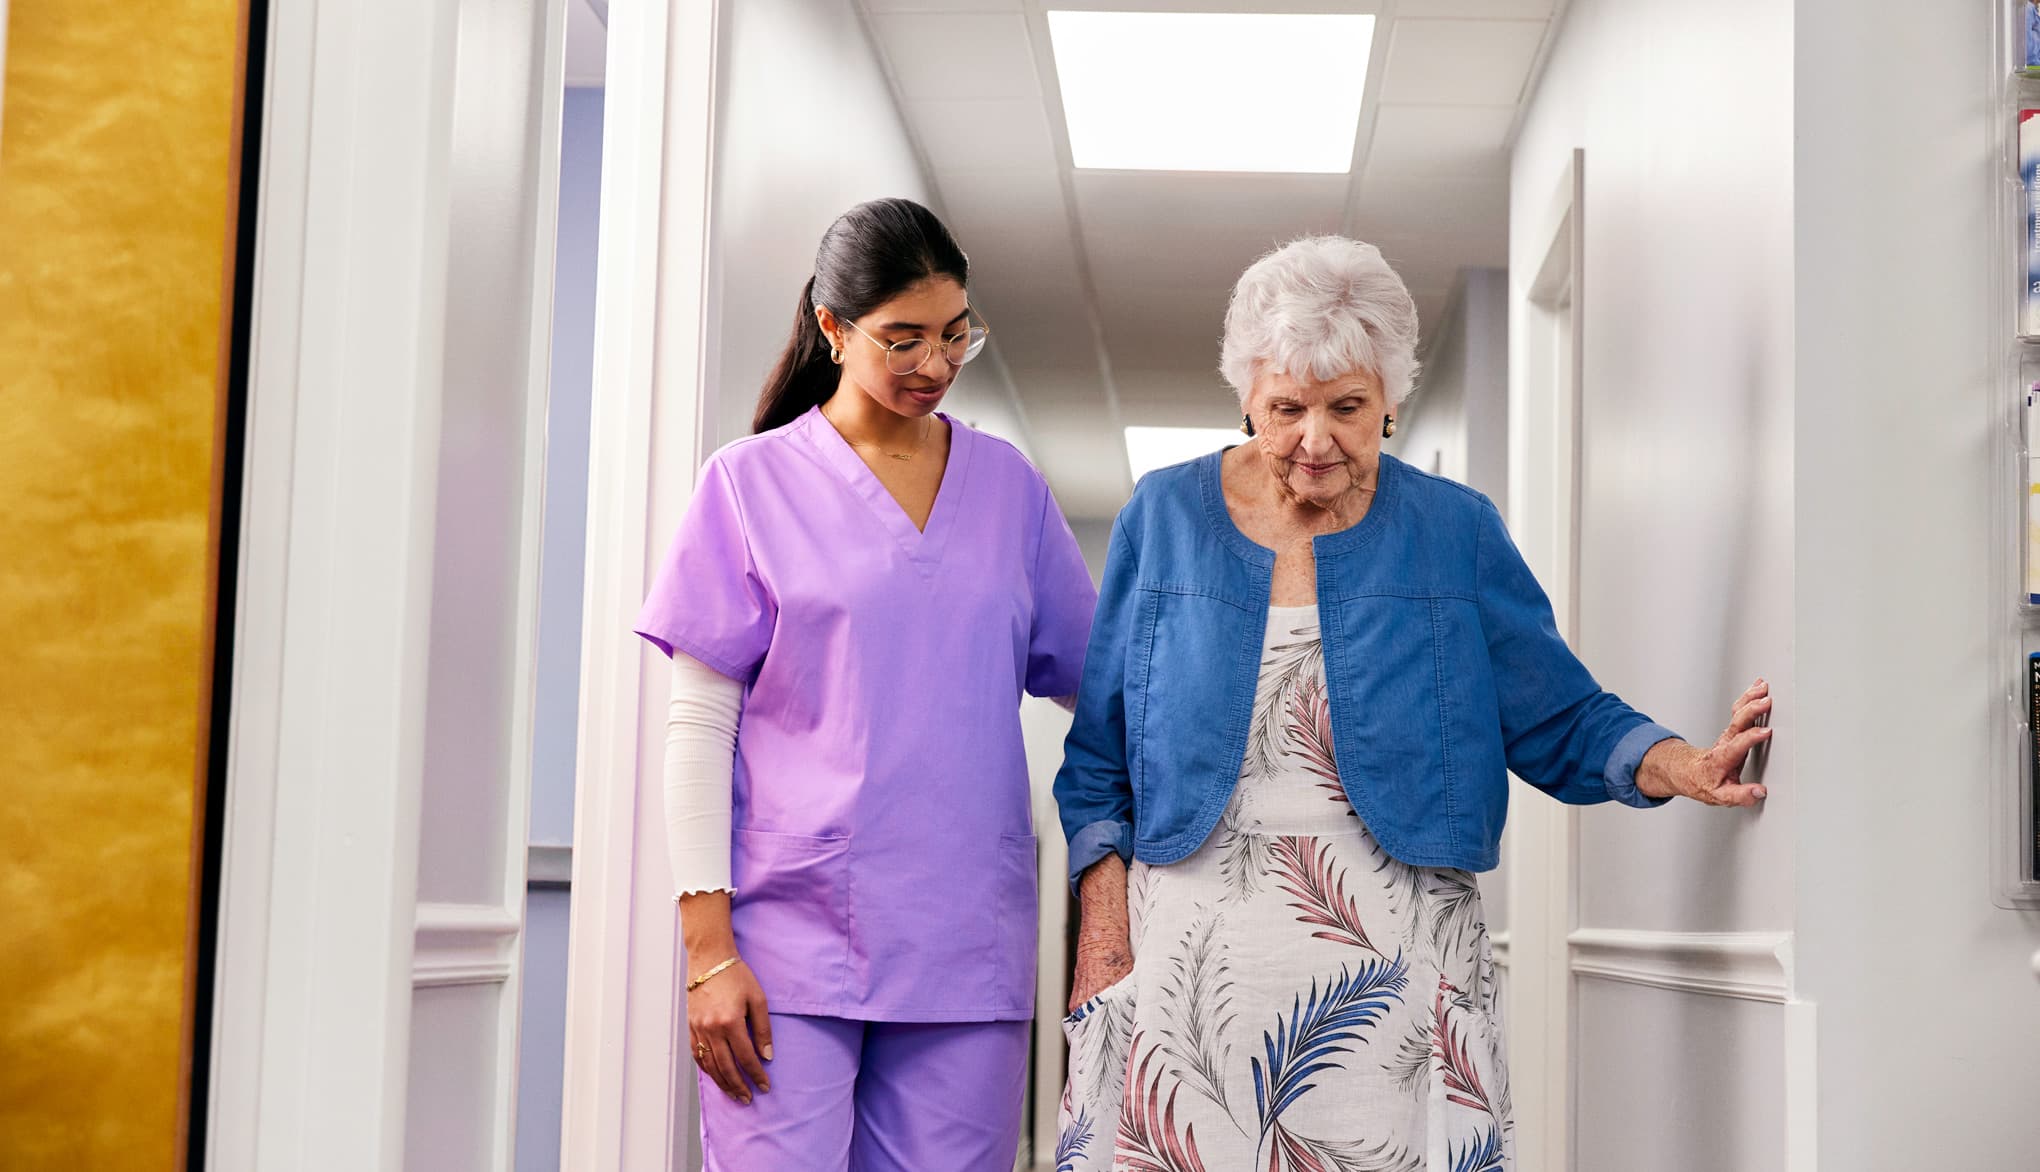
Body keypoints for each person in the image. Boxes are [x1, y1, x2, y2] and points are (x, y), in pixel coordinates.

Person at [1051, 236, 1772, 1171]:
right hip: (1193, 950)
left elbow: (1557, 713)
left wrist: (1680, 763)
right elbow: (1100, 755)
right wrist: (1103, 941)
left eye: (1348, 407)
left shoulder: (1453, 530)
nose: (1316, 440)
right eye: (1286, 410)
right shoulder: (1164, 517)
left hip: (1398, 951)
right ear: (1245, 397)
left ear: (1391, 398)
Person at [635, 197, 1097, 1170]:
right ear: (833, 327)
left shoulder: (1009, 488)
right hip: (785, 944)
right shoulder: (748, 484)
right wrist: (707, 949)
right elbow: (696, 726)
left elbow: (1101, 685)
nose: (935, 364)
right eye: (904, 338)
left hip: (964, 940)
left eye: (955, 333)